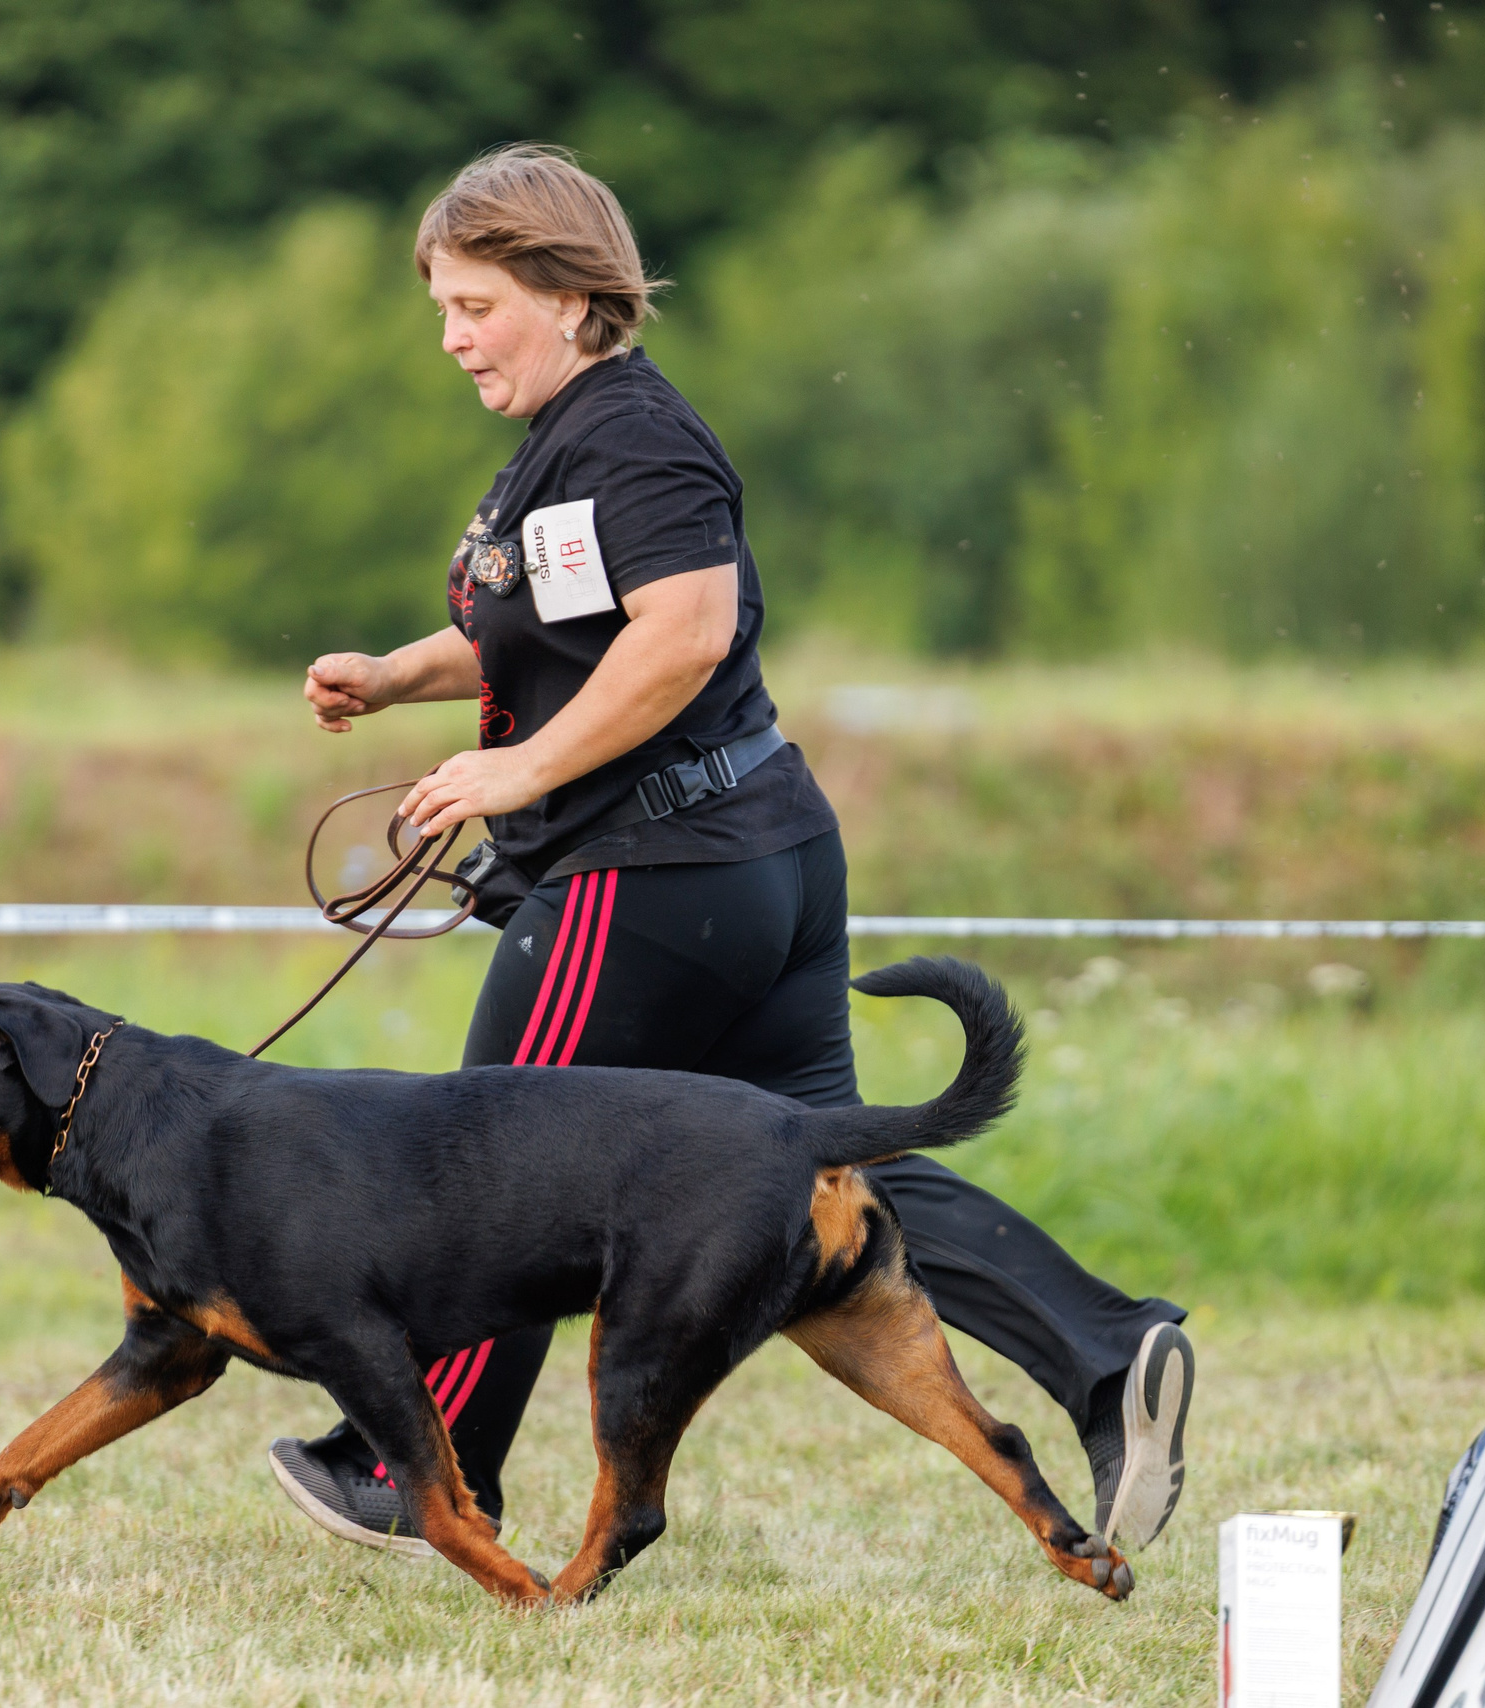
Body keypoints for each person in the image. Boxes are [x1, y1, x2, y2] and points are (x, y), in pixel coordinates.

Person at [268, 143, 1193, 1561]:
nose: (451, 339)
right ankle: (1104, 1349)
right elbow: (564, 626)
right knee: (824, 1172)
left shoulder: (631, 438)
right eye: (441, 310)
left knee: (488, 1158)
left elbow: (684, 630)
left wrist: (516, 766)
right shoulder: (576, 442)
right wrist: (399, 678)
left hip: (647, 878)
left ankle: (420, 1469)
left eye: (473, 305)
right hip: (743, 864)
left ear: (573, 292)